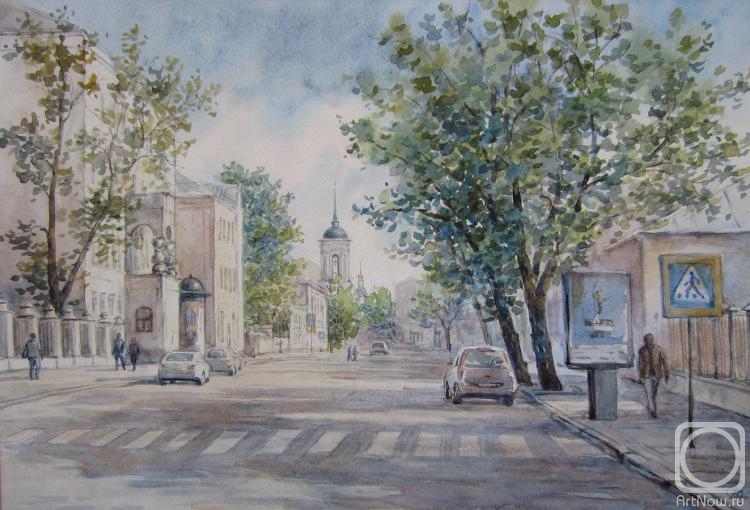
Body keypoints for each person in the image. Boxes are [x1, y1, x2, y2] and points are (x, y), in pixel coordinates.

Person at [638, 332, 670, 418]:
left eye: (651, 339)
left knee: (654, 394)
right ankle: (653, 411)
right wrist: (641, 376)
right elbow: (640, 364)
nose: (649, 341)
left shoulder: (658, 349)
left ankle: (650, 406)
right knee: (650, 393)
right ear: (645, 341)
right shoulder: (642, 350)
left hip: (657, 375)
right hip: (647, 375)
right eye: (647, 339)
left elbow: (665, 362)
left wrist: (666, 374)